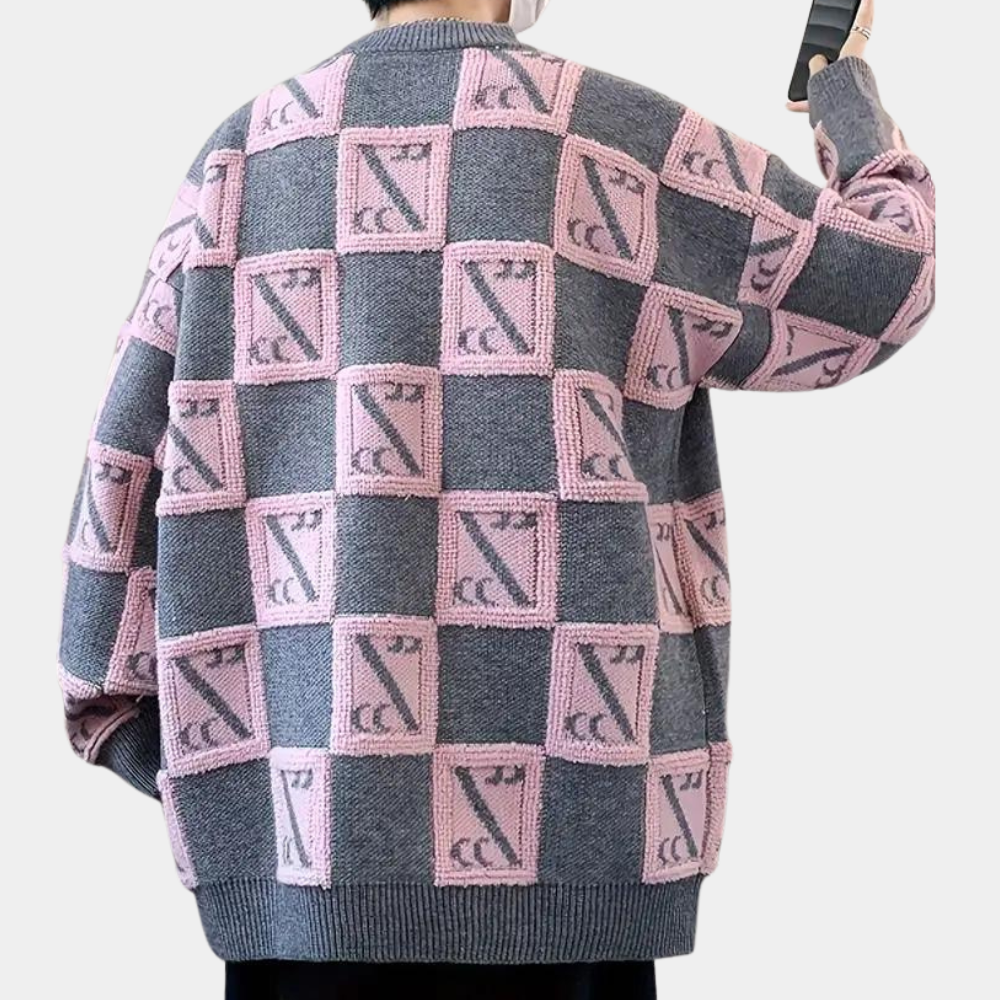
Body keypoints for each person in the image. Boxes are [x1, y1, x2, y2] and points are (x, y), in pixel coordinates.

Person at [55, 0, 935, 997]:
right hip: (583, 850)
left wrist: (228, 794)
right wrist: (840, 85)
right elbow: (884, 278)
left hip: (303, 872)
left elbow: (116, 493)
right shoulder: (616, 142)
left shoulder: (242, 160)